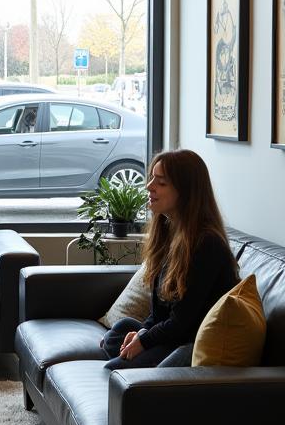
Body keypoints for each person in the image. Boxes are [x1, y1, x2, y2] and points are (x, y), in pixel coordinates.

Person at [100, 148, 239, 370]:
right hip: (174, 334)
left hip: (189, 341)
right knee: (121, 330)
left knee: (112, 370)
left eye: (161, 183)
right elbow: (159, 313)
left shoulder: (206, 244)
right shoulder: (170, 232)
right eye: (152, 178)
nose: (149, 186)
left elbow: (183, 322)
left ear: (186, 192)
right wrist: (143, 333)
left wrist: (144, 341)